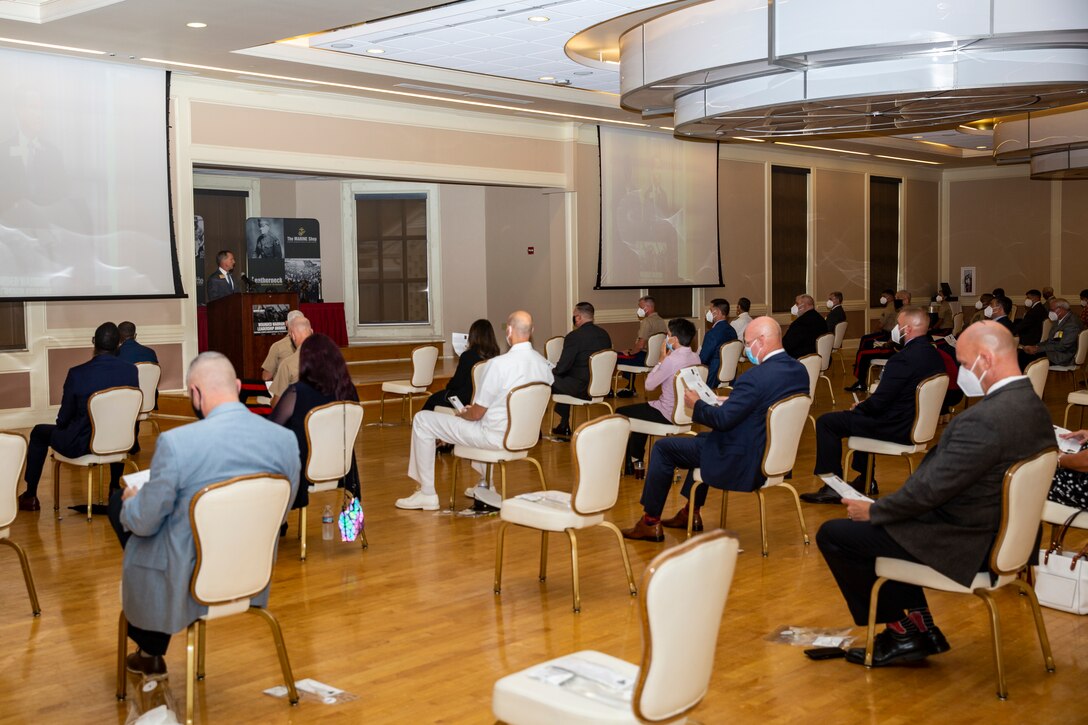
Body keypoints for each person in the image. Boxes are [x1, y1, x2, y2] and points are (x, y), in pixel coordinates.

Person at [815, 322, 1054, 666]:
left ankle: (901, 633)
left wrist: (874, 510)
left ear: (985, 359)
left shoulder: (984, 419)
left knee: (838, 535)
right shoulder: (1033, 405)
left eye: (963, 363)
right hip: (1006, 537)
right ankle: (920, 625)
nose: (959, 373)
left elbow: (929, 492)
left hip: (966, 542)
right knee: (886, 530)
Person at [109, 352, 300, 677]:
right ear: (238, 387)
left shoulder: (177, 443)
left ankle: (149, 641)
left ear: (194, 393)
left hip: (187, 577)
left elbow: (143, 522)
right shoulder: (284, 440)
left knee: (122, 505)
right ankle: (150, 642)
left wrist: (133, 502)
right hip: (252, 573)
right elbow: (284, 505)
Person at [621, 317, 809, 541]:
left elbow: (721, 421)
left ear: (761, 341)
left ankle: (650, 522)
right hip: (771, 455)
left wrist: (696, 405)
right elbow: (764, 407)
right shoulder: (799, 370)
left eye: (747, 344)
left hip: (741, 459)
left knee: (664, 448)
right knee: (700, 440)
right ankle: (690, 512)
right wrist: (727, 401)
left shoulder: (755, 377)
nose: (746, 349)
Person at [397, 311, 553, 511]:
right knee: (477, 422)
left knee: (422, 420)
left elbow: (477, 413)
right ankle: (487, 485)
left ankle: (427, 493)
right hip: (524, 439)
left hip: (493, 437)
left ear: (509, 331)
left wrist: (462, 415)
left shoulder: (498, 365)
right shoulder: (544, 365)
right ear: (532, 331)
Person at [802, 307, 945, 503]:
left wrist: (859, 407)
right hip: (916, 423)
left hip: (896, 426)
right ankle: (865, 479)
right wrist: (865, 407)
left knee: (827, 422)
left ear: (908, 329)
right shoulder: (934, 354)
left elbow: (879, 403)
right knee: (861, 417)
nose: (895, 329)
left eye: (898, 325)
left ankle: (832, 486)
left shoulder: (902, 359)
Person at [18, 322, 138, 511]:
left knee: (39, 432)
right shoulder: (131, 371)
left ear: (93, 342)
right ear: (118, 345)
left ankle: (30, 495)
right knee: (112, 426)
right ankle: (114, 487)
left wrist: (63, 427)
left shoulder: (78, 373)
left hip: (81, 444)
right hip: (121, 441)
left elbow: (64, 418)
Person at [270, 334, 360, 514]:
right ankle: (353, 525)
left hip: (304, 470)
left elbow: (273, 428)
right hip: (342, 467)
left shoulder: (297, 392)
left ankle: (279, 521)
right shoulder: (348, 391)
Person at [617, 318, 701, 475]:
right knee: (641, 412)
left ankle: (631, 462)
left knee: (621, 411)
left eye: (668, 335)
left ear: (674, 339)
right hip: (687, 412)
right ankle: (636, 458)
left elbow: (649, 386)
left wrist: (660, 361)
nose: (665, 338)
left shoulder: (671, 360)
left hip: (666, 412)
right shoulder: (696, 358)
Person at [550, 302, 613, 436]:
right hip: (601, 386)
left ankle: (561, 423)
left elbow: (562, 368)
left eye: (574, 316)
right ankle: (563, 422)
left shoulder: (574, 337)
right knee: (563, 380)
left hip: (581, 388)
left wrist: (550, 372)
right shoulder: (605, 334)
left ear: (578, 317)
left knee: (547, 378)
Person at [422, 318, 500, 413]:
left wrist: (448, 386)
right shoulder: (496, 356)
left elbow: (457, 383)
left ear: (473, 336)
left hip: (463, 399)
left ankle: (422, 425)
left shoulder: (468, 356)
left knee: (433, 399)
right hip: (484, 399)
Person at [845, 289, 910, 391]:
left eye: (898, 298)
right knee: (864, 350)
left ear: (905, 300)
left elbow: (897, 335)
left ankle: (861, 383)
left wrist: (885, 345)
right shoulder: (906, 311)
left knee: (863, 353)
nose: (895, 300)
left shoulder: (905, 314)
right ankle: (861, 380)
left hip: (896, 350)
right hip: (896, 346)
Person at [616, 296, 668, 398]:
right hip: (656, 358)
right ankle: (630, 387)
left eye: (640, 307)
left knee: (615, 355)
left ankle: (625, 388)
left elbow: (640, 345)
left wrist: (630, 353)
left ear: (647, 307)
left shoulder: (647, 322)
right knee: (628, 354)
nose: (639, 310)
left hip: (643, 357)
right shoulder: (661, 321)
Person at [1020, 298, 1083, 370]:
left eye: (1052, 310)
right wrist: (1036, 346)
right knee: (1024, 353)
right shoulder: (1060, 319)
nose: (1049, 312)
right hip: (1055, 351)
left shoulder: (1072, 324)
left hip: (1063, 357)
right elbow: (1051, 340)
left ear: (1060, 310)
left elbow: (1062, 346)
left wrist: (1037, 349)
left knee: (1025, 357)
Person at [269, 315, 313, 399]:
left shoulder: (287, 364)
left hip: (298, 410)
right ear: (312, 331)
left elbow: (277, 404)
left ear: (292, 335)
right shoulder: (328, 357)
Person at [699, 298, 738, 388]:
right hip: (731, 377)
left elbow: (703, 359)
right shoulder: (733, 331)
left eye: (710, 310)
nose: (708, 313)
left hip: (713, 377)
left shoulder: (712, 334)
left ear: (718, 312)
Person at [1048, 429, 1088, 509]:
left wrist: (1059, 458)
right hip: (1078, 461)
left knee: (1029, 475)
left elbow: (1086, 461)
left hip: (1080, 483)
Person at [261, 310, 304, 382]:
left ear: (286, 323)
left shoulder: (277, 346)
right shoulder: (315, 345)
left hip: (285, 391)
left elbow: (266, 377)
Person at [782, 294, 827, 359]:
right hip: (819, 358)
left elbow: (787, 345)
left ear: (804, 305)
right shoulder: (820, 319)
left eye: (797, 304)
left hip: (802, 359)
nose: (795, 306)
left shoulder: (800, 323)